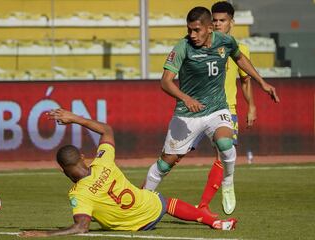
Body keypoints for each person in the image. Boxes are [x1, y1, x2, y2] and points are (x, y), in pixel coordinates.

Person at [142, 6, 279, 218]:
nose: (192, 35)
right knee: (165, 163)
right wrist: (186, 98)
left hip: (217, 108)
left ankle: (228, 179)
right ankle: (142, 199)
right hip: (187, 114)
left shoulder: (225, 42)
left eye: (197, 30)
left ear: (209, 28)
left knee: (225, 143)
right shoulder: (182, 47)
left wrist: (262, 82)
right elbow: (165, 82)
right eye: (189, 30)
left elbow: (240, 58)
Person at [19, 108, 237, 238]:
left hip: (135, 226)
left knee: (155, 199)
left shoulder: (78, 194)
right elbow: (107, 130)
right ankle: (212, 220)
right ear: (83, 157)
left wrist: (44, 233)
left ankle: (211, 220)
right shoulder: (102, 161)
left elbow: (81, 227)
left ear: (62, 170)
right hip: (150, 208)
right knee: (164, 201)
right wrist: (74, 118)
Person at [195, 1, 258, 218]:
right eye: (215, 20)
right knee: (171, 157)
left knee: (223, 151)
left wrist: (251, 106)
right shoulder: (200, 46)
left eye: (223, 20)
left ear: (232, 22)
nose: (218, 24)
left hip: (226, 109)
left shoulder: (242, 50)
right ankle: (146, 195)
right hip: (200, 108)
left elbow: (246, 81)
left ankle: (220, 191)